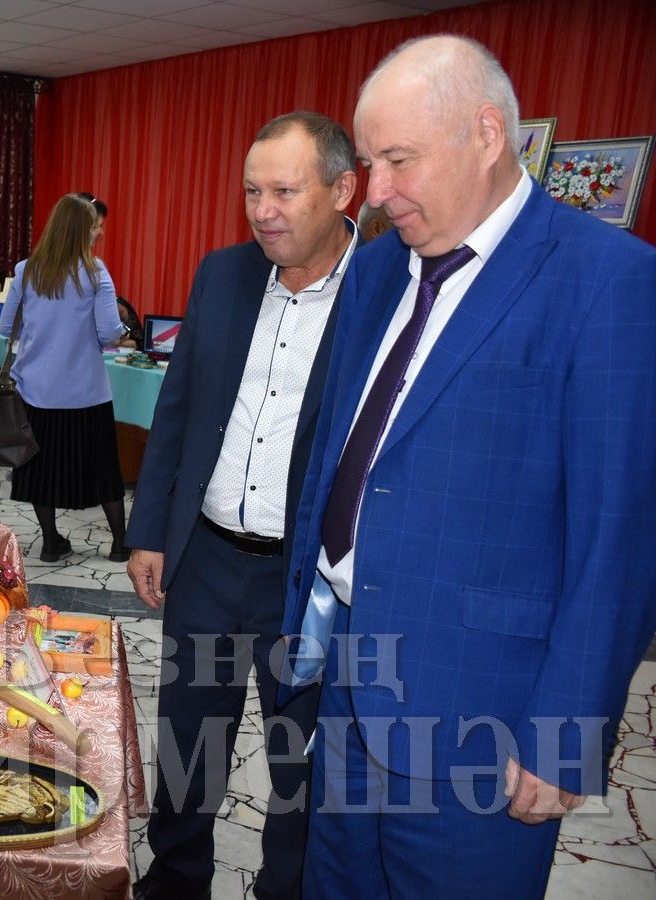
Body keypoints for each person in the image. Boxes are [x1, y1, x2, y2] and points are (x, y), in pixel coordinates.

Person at [281, 36, 656, 899]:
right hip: (346, 677)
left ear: (487, 134)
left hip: (484, 717)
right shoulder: (375, 269)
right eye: (371, 162)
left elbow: (619, 542)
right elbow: (338, 451)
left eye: (398, 161)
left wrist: (565, 736)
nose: (374, 192)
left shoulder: (608, 281)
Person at [125, 111, 359, 900]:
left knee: (299, 759)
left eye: (285, 191)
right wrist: (150, 529)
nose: (264, 209)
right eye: (252, 191)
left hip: (307, 580)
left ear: (341, 190)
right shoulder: (222, 274)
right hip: (207, 561)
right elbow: (179, 411)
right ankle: (176, 879)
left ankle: (283, 889)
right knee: (188, 742)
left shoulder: (385, 288)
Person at [0, 193, 127, 563]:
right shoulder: (96, 272)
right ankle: (120, 544)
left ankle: (51, 541)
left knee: (40, 470)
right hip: (86, 391)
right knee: (103, 469)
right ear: (83, 231)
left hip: (36, 390)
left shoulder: (26, 269)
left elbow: (7, 325)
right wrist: (121, 325)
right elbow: (108, 333)